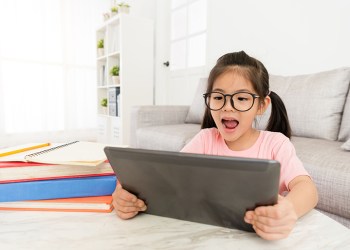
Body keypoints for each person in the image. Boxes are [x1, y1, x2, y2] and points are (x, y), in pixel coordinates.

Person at [112, 51, 318, 241]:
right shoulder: (205, 139)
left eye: (242, 98)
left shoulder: (275, 143)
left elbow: (307, 189)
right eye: (218, 97)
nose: (228, 106)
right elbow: (168, 175)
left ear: (261, 105)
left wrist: (288, 209)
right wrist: (124, 194)